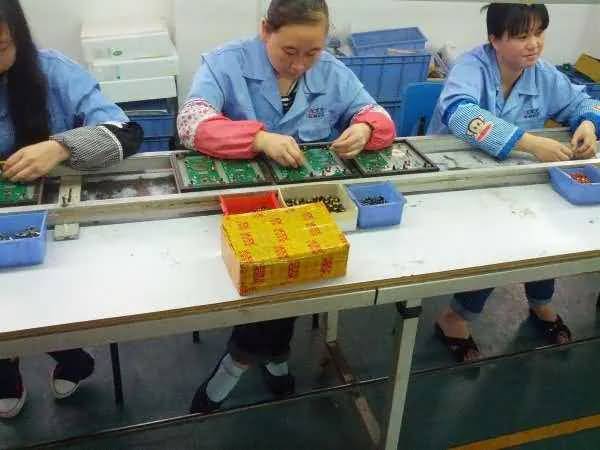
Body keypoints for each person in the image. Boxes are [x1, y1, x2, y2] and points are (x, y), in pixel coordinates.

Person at [177, 0, 395, 413]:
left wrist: (365, 128)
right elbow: (191, 123)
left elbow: (378, 114)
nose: (300, 64)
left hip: (305, 206)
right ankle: (259, 358)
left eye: (312, 52)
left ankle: (247, 357)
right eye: (289, 52)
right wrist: (258, 139)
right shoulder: (225, 63)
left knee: (295, 272)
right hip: (243, 207)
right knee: (274, 276)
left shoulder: (331, 70)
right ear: (266, 31)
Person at [428, 3, 600, 362]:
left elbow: (581, 101)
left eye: (539, 33)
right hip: (458, 176)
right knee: (500, 239)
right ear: (494, 39)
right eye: (521, 36)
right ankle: (456, 317)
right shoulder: (471, 68)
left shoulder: (543, 74)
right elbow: (461, 113)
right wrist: (532, 143)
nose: (534, 44)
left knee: (550, 228)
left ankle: (540, 301)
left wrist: (587, 123)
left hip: (515, 179)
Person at [0, 0, 142, 418]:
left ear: (18, 38)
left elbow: (124, 133)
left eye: (0, 46)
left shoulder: (54, 71)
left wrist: (61, 145)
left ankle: (70, 353)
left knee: (51, 299)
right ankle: (7, 365)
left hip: (55, 227)